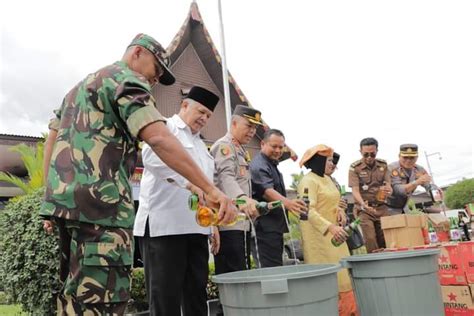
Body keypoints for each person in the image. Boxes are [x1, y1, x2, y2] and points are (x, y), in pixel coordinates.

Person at [40, 33, 236, 315]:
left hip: (68, 210)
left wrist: (50, 199)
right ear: (137, 54)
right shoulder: (127, 80)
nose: (155, 80)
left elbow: (53, 137)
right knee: (102, 301)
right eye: (156, 70)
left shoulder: (79, 88)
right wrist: (211, 190)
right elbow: (158, 138)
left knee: (75, 298)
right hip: (102, 210)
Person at [133, 86, 220, 316]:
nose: (204, 118)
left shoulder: (202, 146)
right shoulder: (165, 128)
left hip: (197, 230)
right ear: (184, 105)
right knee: (165, 301)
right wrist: (191, 183)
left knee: (197, 298)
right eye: (201, 111)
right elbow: (152, 158)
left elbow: (209, 191)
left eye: (209, 116)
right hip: (164, 229)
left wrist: (213, 225)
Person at [297, 145, 358, 316]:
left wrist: (340, 211)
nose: (332, 164)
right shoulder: (308, 181)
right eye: (329, 160)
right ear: (319, 161)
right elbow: (307, 210)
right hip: (320, 238)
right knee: (328, 279)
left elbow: (333, 201)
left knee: (343, 275)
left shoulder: (328, 179)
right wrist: (329, 227)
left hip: (337, 236)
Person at [210, 104, 261, 278]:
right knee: (234, 277)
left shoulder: (239, 148)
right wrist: (241, 198)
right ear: (234, 123)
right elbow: (226, 177)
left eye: (255, 128)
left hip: (241, 224)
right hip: (228, 225)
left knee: (243, 273)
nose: (252, 132)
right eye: (248, 126)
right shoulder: (224, 146)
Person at [250, 129, 307, 267]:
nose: (278, 150)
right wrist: (289, 203)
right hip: (264, 227)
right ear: (262, 144)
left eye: (281, 147)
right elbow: (267, 191)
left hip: (274, 226)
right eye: (274, 146)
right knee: (270, 270)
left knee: (276, 266)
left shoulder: (272, 164)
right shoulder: (259, 165)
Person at [348, 137, 392, 253]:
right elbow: (355, 190)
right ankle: (375, 267)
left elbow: (389, 185)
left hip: (382, 208)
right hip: (364, 209)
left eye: (372, 154)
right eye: (365, 154)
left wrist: (388, 190)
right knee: (371, 239)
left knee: (386, 239)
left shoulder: (383, 165)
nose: (369, 158)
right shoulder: (355, 168)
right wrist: (363, 204)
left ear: (377, 151)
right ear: (360, 152)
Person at [387, 144, 438, 214]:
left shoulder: (419, 169)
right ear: (399, 156)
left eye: (412, 157)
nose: (408, 160)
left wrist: (435, 189)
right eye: (405, 157)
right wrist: (417, 182)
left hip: (405, 207)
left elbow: (428, 185)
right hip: (388, 208)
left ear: (417, 157)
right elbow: (398, 191)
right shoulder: (392, 168)